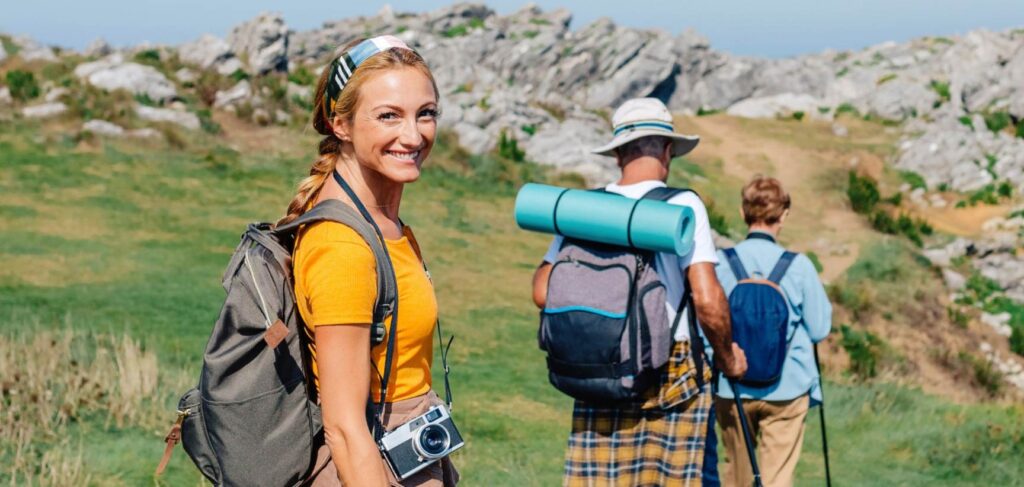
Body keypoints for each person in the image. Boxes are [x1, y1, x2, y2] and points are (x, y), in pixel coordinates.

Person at [532, 97, 748, 486]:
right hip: (672, 368)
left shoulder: (585, 209)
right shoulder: (683, 206)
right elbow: (707, 300)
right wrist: (729, 355)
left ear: (618, 155)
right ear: (667, 151)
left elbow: (542, 291)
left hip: (601, 361)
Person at [276, 36, 458, 486]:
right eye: (388, 116)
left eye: (426, 113)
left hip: (408, 447)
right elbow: (343, 427)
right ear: (340, 124)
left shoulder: (381, 221)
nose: (414, 136)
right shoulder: (344, 247)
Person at [712, 176, 832, 487]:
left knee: (736, 477)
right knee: (776, 479)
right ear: (784, 215)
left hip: (732, 387)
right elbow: (819, 329)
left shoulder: (722, 263)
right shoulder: (799, 266)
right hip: (788, 389)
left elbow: (708, 325)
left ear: (743, 212)